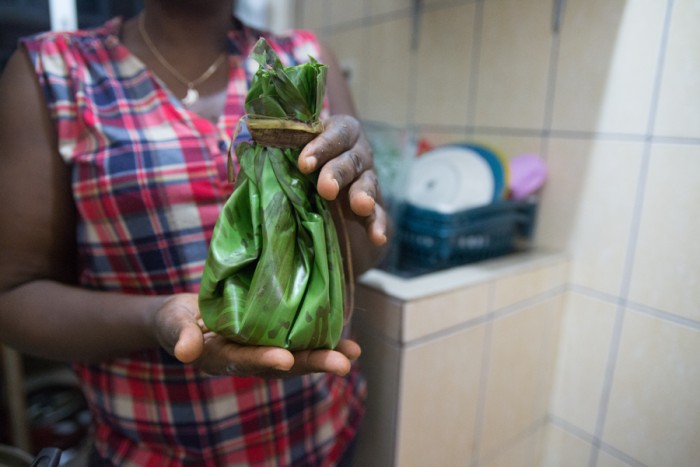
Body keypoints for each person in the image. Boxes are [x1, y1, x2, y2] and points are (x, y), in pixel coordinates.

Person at [0, 0, 389, 465]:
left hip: (325, 436)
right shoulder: (52, 71)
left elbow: (364, 253)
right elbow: (12, 295)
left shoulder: (305, 59)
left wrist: (353, 204)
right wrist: (154, 318)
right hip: (154, 453)